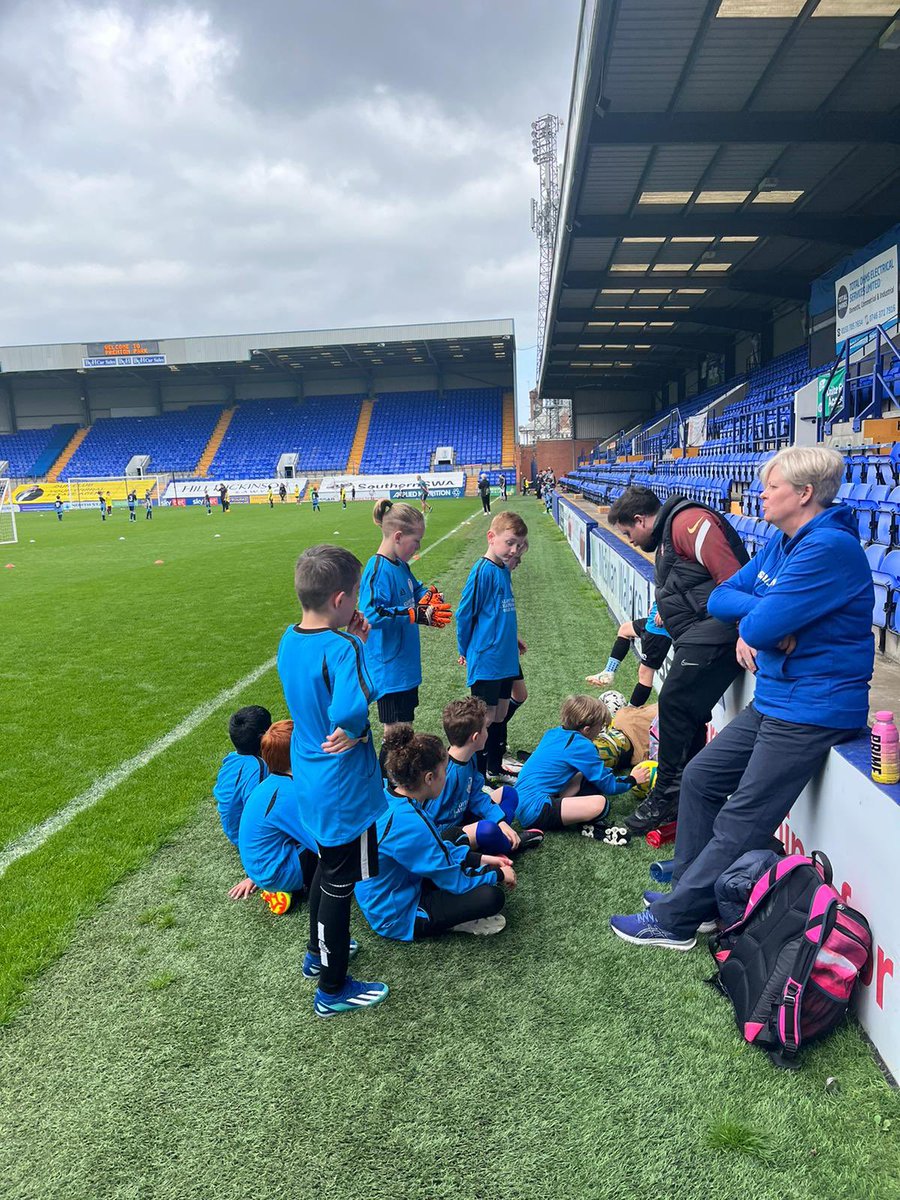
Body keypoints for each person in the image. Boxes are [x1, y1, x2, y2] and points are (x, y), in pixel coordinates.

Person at [610, 446, 875, 950]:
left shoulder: (828, 548)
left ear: (803, 494)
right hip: (779, 697)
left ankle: (677, 918)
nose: (761, 494)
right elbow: (721, 596)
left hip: (812, 707)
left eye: (771, 487)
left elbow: (759, 622)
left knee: (742, 817)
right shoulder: (785, 540)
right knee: (701, 777)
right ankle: (695, 890)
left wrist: (762, 621)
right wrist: (765, 616)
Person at [277, 544, 389, 1017]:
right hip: (342, 785)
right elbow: (351, 705)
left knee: (327, 862)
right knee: (341, 882)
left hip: (309, 772)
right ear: (342, 599)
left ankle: (315, 953)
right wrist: (356, 727)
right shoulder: (343, 648)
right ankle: (332, 985)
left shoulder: (289, 636)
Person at [606, 484, 748, 833]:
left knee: (672, 702)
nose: (632, 541)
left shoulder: (688, 522)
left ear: (640, 519)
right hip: (700, 632)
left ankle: (667, 798)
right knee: (686, 712)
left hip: (717, 631)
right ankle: (688, 796)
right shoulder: (675, 530)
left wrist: (747, 629)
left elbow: (732, 575)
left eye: (628, 533)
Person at [355, 726, 514, 940]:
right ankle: (452, 921)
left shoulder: (392, 796)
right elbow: (455, 880)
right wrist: (498, 874)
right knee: (491, 897)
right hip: (398, 915)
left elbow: (438, 846)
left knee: (452, 835)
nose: (446, 778)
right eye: (444, 771)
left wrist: (481, 859)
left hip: (390, 888)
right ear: (429, 778)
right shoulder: (411, 822)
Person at [360, 501, 451, 756]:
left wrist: (431, 597)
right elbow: (371, 612)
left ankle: (397, 789)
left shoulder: (401, 566)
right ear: (398, 537)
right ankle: (388, 789)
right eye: (416, 541)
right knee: (395, 738)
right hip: (389, 670)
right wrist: (414, 614)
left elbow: (416, 588)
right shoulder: (377, 569)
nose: (417, 547)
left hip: (406, 666)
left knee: (405, 734)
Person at [456, 510, 528, 781]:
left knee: (498, 715)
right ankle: (476, 776)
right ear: (491, 537)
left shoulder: (503, 570)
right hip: (487, 658)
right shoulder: (482, 571)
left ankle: (494, 768)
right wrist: (464, 649)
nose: (514, 550)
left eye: (518, 545)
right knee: (483, 718)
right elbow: (465, 614)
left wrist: (513, 638)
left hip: (504, 656)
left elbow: (499, 613)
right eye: (509, 542)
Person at [515, 695, 651, 836]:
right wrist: (633, 779)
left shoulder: (552, 733)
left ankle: (565, 807)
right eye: (600, 727)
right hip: (535, 811)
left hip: (519, 802)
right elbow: (609, 786)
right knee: (601, 804)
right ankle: (588, 826)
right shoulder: (583, 746)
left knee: (581, 775)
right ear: (587, 729)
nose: (600, 732)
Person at [429, 697, 541, 856]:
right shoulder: (445, 774)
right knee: (487, 829)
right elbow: (431, 821)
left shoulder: (470, 758)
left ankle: (494, 842)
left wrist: (499, 821)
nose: (488, 733)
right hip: (448, 834)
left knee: (509, 793)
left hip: (466, 817)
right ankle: (507, 846)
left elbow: (476, 796)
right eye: (486, 728)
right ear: (475, 737)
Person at [237, 720, 319, 916]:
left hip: (260, 869)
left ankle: (276, 885)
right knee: (337, 855)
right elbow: (320, 843)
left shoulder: (273, 783)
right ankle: (288, 887)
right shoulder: (290, 794)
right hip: (276, 872)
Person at [214, 705, 272, 899]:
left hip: (231, 829)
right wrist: (254, 873)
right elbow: (257, 821)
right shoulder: (259, 768)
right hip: (245, 837)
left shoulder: (231, 758)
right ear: (263, 736)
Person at [587, 601, 671, 708]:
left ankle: (630, 712)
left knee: (645, 674)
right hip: (653, 621)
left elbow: (682, 589)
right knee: (624, 630)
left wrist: (666, 608)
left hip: (659, 630)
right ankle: (608, 672)